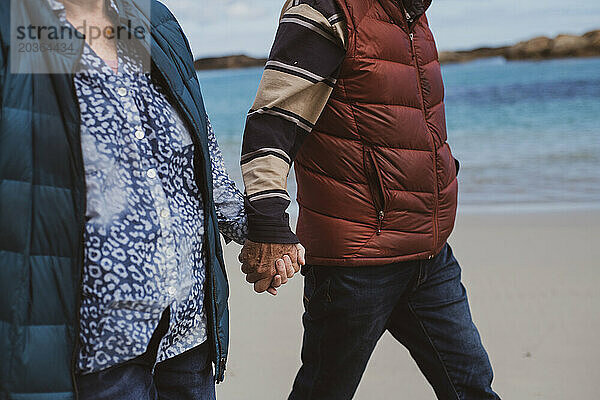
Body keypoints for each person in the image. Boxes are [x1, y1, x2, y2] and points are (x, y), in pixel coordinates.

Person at [0, 0, 296, 398]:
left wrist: (264, 231)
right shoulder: (16, 27)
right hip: (94, 351)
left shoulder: (148, 19)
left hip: (187, 335)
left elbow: (200, 165)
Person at [238, 0, 501, 398]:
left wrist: (442, 174)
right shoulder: (328, 8)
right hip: (357, 262)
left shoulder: (413, 14)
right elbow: (272, 122)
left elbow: (411, 120)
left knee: (473, 387)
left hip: (429, 251)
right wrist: (269, 224)